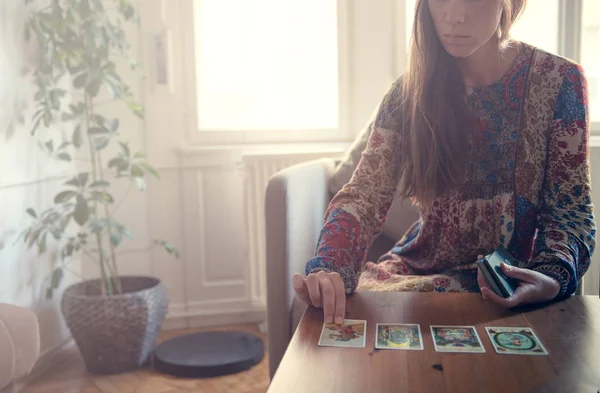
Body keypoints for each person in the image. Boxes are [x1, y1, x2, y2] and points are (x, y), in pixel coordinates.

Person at [292, 0, 596, 326]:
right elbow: (364, 194)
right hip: (419, 273)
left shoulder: (560, 82)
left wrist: (550, 275)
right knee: (346, 326)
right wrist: (331, 265)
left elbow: (570, 214)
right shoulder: (408, 92)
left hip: (515, 279)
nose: (454, 16)